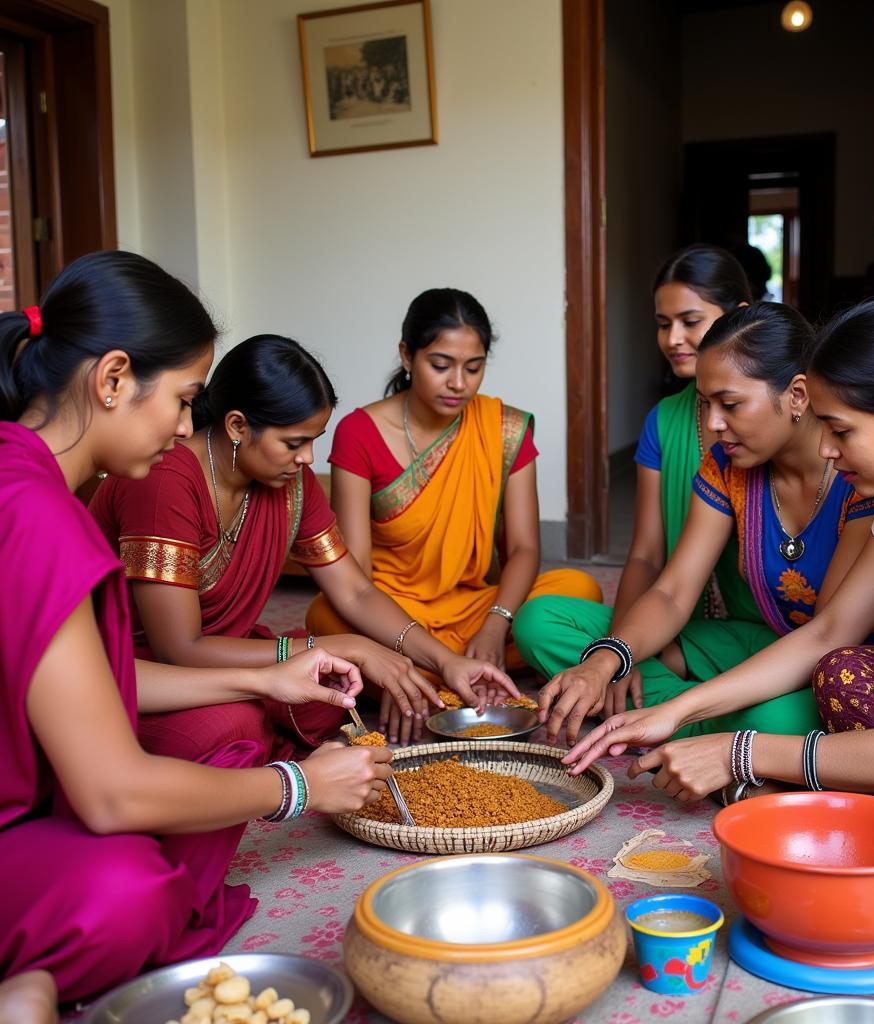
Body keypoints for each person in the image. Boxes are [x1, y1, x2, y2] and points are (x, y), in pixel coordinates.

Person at [0, 251, 395, 1001]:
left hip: (51, 777)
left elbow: (92, 682)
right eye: (182, 398)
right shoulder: (39, 512)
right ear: (113, 379)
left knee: (235, 727)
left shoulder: (26, 480)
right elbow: (111, 793)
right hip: (46, 802)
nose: (185, 425)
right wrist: (297, 786)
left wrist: (265, 671)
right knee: (133, 890)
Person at [564, 299, 874, 935]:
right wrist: (677, 712)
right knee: (843, 674)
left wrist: (741, 751)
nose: (828, 451)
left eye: (841, 430)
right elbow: (829, 632)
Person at [527, 301, 874, 744]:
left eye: (731, 404)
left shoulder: (864, 471)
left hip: (846, 665)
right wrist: (606, 660)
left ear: (797, 395)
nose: (715, 423)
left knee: (779, 717)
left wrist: (678, 707)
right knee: (542, 622)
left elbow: (827, 637)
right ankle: (718, 729)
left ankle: (681, 719)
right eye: (706, 404)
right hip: (765, 641)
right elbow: (673, 591)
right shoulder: (728, 464)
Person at [91, 333, 520, 750]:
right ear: (238, 425)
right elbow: (179, 648)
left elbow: (354, 590)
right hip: (141, 667)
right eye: (294, 443)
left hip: (224, 652)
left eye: (313, 440)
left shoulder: (290, 482)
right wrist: (338, 646)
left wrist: (445, 660)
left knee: (330, 691)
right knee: (235, 727)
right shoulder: (166, 480)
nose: (308, 458)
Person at [515, 244, 765, 719]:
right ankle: (706, 720)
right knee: (539, 622)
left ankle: (680, 713)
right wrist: (619, 651)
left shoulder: (772, 418)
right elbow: (647, 554)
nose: (673, 338)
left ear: (738, 317)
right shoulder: (663, 419)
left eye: (691, 321)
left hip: (762, 636)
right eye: (662, 323)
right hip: (675, 623)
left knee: (794, 696)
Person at [305, 287, 602, 676]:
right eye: (441, 365)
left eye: (473, 367)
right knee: (324, 614)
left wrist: (496, 624)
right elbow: (355, 571)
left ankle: (430, 674)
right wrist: (399, 638)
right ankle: (444, 667)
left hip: (475, 605)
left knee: (580, 589)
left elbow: (525, 547)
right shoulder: (359, 432)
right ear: (407, 355)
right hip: (393, 608)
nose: (459, 383)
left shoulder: (504, 429)